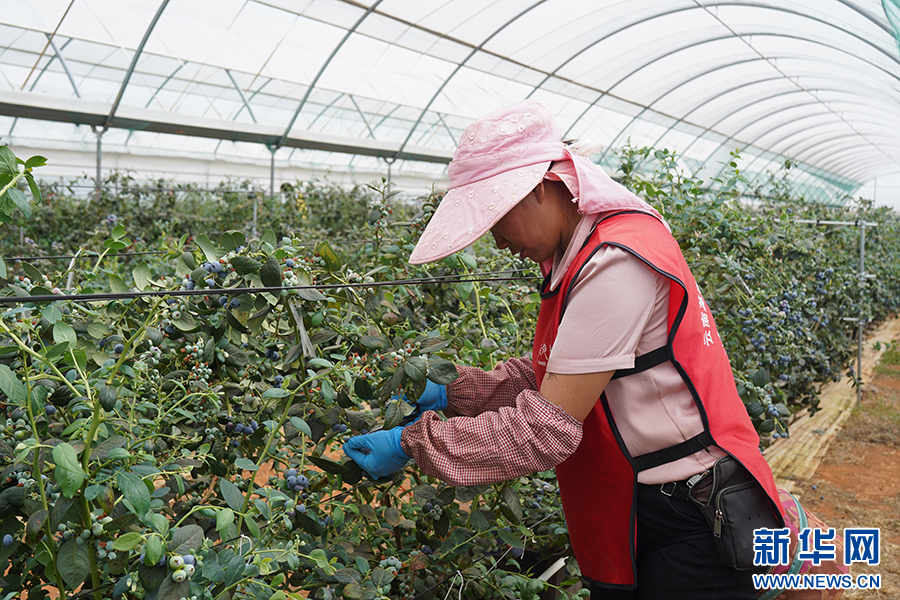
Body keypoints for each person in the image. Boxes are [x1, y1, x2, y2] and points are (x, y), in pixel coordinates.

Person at [342, 99, 784, 599]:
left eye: (496, 219)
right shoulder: (586, 252)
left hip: (694, 518)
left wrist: (411, 443)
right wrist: (455, 389)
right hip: (650, 502)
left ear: (538, 188)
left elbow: (544, 429)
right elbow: (560, 376)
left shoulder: (617, 262)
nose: (498, 243)